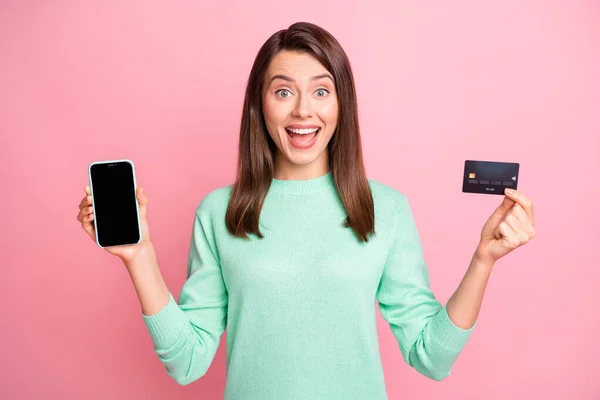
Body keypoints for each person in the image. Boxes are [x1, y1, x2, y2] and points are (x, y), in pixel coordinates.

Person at [76, 21, 535, 399]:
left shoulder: (386, 209)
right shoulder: (219, 212)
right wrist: (140, 257)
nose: (302, 111)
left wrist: (483, 260)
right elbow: (187, 361)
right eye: (282, 92)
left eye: (321, 91)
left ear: (341, 104)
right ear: (260, 104)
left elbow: (431, 357)